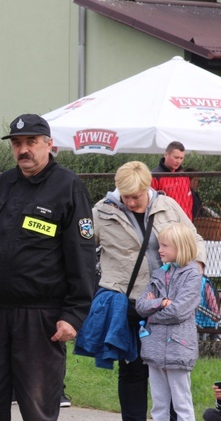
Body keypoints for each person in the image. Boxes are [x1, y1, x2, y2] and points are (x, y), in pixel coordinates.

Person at [0, 113, 96, 421]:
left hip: (41, 318)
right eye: (18, 143)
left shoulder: (68, 187)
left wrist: (73, 315)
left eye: (31, 142)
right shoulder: (0, 186)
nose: (24, 149)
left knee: (37, 409)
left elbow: (82, 257)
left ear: (49, 145)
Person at [87, 160, 206, 421]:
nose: (131, 202)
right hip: (128, 302)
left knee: (171, 369)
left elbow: (194, 238)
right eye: (125, 196)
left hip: (168, 305)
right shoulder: (101, 212)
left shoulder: (168, 207)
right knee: (132, 370)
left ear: (148, 186)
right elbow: (81, 247)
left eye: (136, 197)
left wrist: (195, 267)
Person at [136, 223, 202, 421]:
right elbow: (140, 305)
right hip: (154, 347)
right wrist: (161, 302)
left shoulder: (192, 276)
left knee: (182, 403)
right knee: (159, 403)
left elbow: (178, 311)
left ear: (180, 247)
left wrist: (151, 314)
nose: (159, 250)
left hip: (179, 348)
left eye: (165, 246)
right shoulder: (158, 274)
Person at [152, 141, 194, 219]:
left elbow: (189, 201)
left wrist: (188, 220)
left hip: (184, 221)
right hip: (165, 222)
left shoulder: (184, 176)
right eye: (176, 157)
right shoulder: (155, 176)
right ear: (166, 155)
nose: (178, 161)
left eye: (181, 158)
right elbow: (151, 203)